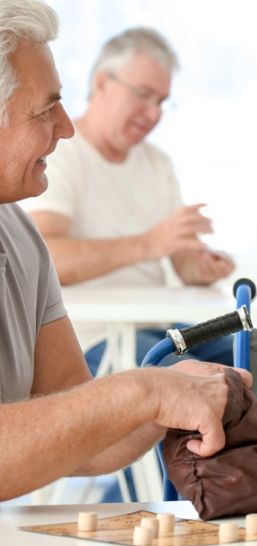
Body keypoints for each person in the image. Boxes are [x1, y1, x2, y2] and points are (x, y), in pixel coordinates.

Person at [0, 0, 251, 502]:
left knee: (248, 364)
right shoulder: (66, 179)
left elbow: (83, 435)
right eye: (44, 109)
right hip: (115, 339)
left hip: (149, 337)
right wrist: (144, 390)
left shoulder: (21, 237)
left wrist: (164, 391)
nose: (65, 127)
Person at [23, 27, 235, 375]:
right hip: (94, 336)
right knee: (197, 377)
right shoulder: (59, 156)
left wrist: (202, 266)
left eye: (162, 102)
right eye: (144, 95)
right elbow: (50, 258)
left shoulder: (157, 163)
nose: (153, 113)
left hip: (156, 327)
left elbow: (181, 261)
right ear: (103, 84)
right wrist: (150, 243)